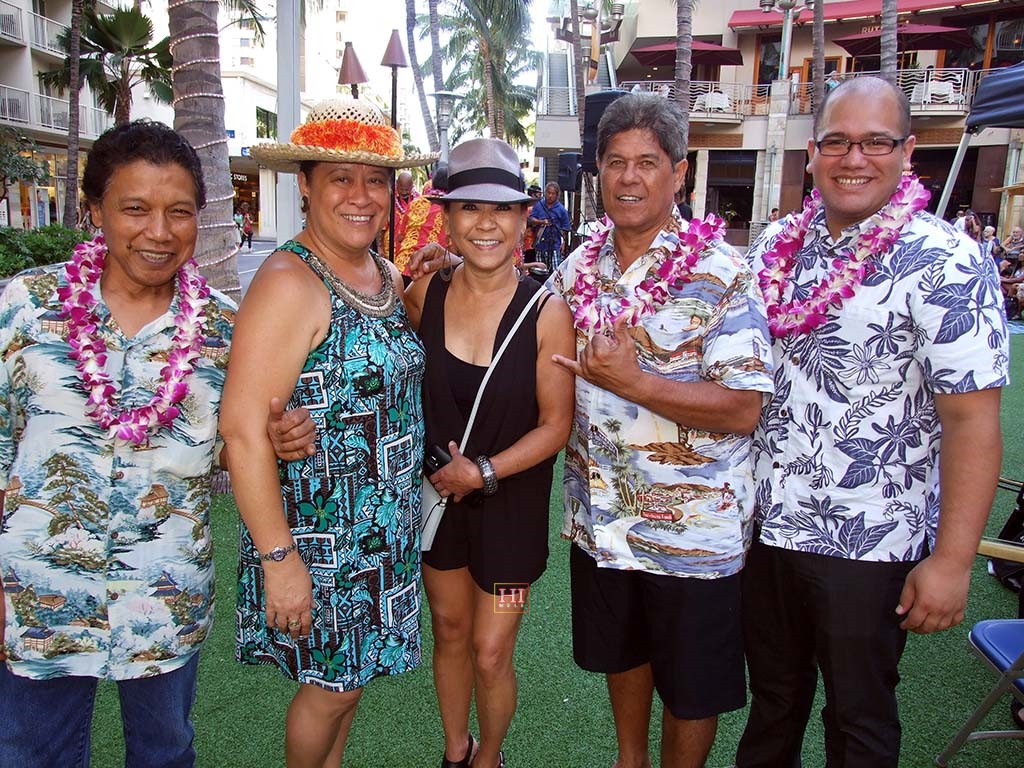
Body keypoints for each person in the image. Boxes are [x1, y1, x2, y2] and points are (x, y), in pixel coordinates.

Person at [0, 120, 311, 767]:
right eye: (135, 209)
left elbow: (228, 446)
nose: (160, 232)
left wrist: (274, 440)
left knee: (165, 752)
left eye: (179, 212)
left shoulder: (226, 329)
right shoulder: (27, 308)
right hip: (38, 592)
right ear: (95, 210)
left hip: (163, 596)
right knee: (32, 754)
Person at [737, 76, 1008, 768]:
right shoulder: (776, 247)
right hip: (766, 526)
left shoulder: (946, 258)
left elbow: (973, 421)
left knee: (858, 717)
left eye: (875, 142)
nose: (853, 158)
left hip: (870, 539)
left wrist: (952, 562)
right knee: (772, 704)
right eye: (836, 141)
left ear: (907, 151)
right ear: (811, 153)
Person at [550, 93, 774, 768]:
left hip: (692, 532)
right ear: (598, 171)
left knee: (692, 686)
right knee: (624, 655)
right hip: (604, 518)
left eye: (647, 162)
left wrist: (637, 383)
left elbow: (743, 407)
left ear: (679, 173)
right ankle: (631, 761)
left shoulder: (722, 272)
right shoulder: (578, 267)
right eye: (615, 161)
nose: (629, 178)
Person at [219, 99, 436, 767]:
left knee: (349, 686)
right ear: (306, 185)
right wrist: (279, 561)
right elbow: (242, 430)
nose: (361, 196)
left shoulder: (383, 274)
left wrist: (439, 272)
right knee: (330, 691)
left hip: (382, 531)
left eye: (376, 180)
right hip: (322, 538)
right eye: (340, 178)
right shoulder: (289, 280)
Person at [403, 138, 576, 768]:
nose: (486, 223)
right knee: (449, 631)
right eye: (470, 207)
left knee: (492, 650)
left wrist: (483, 472)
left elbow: (556, 425)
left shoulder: (547, 312)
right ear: (447, 218)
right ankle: (456, 751)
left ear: (524, 218)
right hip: (440, 506)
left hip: (512, 517)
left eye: (502, 209)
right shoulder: (424, 293)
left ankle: (489, 758)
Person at [528, 182, 571, 271]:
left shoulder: (561, 209)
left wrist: (563, 243)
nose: (550, 196)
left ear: (557, 195)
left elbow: (565, 228)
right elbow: (531, 219)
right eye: (549, 193)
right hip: (540, 245)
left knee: (555, 271)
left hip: (555, 245)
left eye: (553, 194)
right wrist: (541, 222)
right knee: (540, 271)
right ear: (545, 193)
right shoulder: (538, 205)